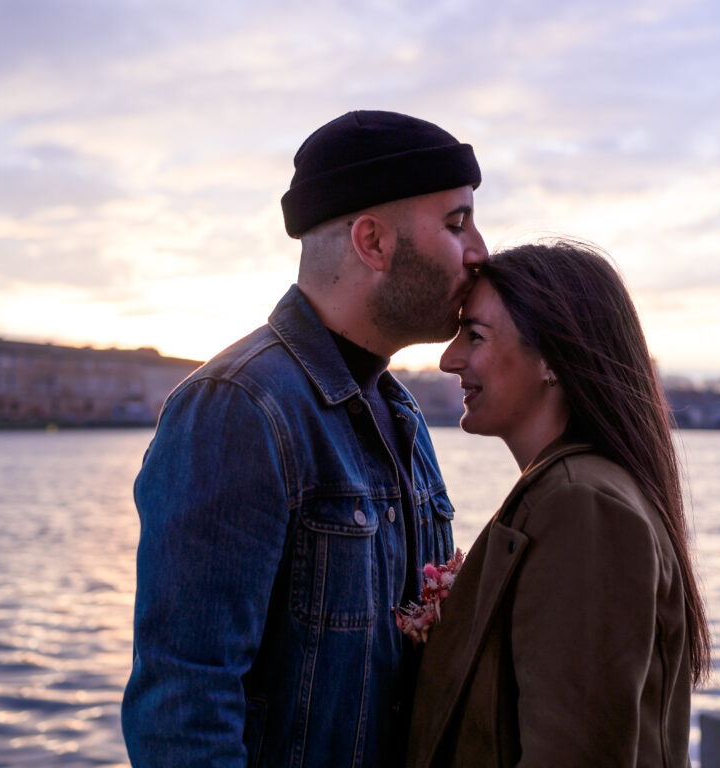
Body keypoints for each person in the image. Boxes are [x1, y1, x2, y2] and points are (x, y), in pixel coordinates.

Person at [121, 110, 488, 767]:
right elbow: (184, 711)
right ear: (373, 243)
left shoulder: (400, 414)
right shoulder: (236, 409)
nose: (480, 249)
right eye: (457, 224)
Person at [404, 239, 711, 768]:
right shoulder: (572, 490)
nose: (449, 358)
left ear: (550, 358)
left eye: (474, 335)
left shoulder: (582, 505)